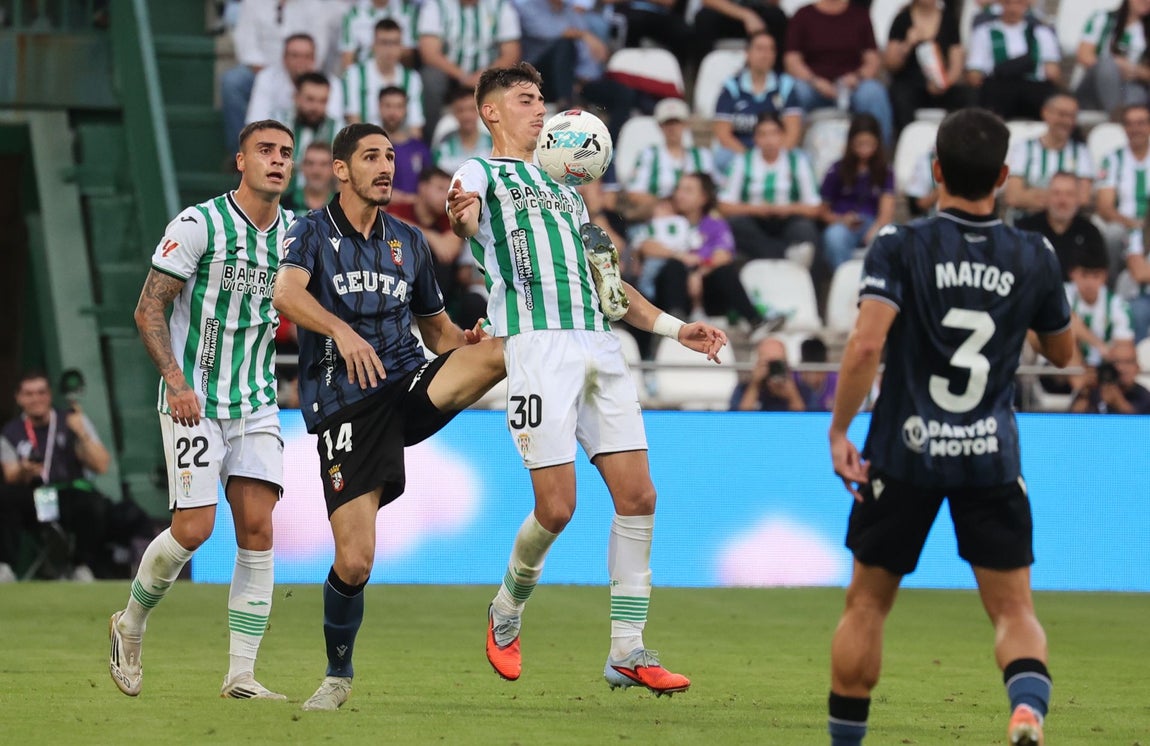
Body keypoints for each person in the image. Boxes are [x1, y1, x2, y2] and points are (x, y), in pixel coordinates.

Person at [447, 62, 727, 695]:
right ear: (491, 112)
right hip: (538, 348)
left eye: (542, 98)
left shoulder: (569, 191)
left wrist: (677, 328)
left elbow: (609, 288)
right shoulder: (481, 173)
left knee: (639, 497)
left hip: (600, 345)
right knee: (558, 507)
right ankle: (507, 607)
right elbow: (460, 212)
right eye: (525, 100)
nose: (539, 109)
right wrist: (463, 218)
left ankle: (627, 650)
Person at [824, 107, 1075, 746]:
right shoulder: (1034, 255)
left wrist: (838, 431)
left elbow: (863, 346)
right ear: (1005, 176)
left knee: (867, 606)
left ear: (936, 170)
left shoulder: (898, 246)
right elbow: (1064, 353)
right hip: (990, 455)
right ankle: (1025, 710)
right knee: (1015, 609)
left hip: (904, 452)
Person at [272, 122, 507, 711]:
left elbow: (437, 331)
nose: (385, 166)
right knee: (355, 561)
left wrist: (467, 341)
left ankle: (547, 416)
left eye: (391, 157)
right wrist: (341, 330)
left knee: (502, 351)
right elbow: (286, 295)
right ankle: (337, 674)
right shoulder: (311, 234)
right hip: (345, 403)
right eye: (371, 157)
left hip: (406, 382)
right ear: (341, 170)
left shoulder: (409, 241)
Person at [108, 120, 297, 701]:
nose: (277, 161)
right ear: (240, 161)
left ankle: (241, 674)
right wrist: (177, 381)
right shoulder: (199, 225)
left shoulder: (297, 234)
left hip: (258, 401)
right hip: (194, 401)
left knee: (260, 531)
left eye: (286, 153)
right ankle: (130, 622)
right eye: (265, 151)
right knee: (194, 529)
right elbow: (148, 309)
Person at [631, 173, 778, 358]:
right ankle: (675, 323)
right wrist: (680, 256)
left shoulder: (715, 224)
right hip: (667, 293)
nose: (680, 194)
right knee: (674, 267)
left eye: (688, 190)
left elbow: (723, 256)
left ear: (703, 198)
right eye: (679, 189)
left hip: (706, 294)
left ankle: (756, 322)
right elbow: (645, 246)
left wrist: (699, 273)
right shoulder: (666, 218)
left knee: (724, 272)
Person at [0, 371, 114, 582]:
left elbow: (102, 465)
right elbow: (10, 474)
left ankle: (81, 566)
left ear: (50, 395)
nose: (36, 399)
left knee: (92, 503)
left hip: (66, 495)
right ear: (19, 397)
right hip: (32, 497)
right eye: (29, 393)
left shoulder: (71, 421)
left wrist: (82, 433)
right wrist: (24, 470)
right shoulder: (11, 432)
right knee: (5, 497)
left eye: (41, 392)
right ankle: (6, 566)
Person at [717, 112, 821, 267]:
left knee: (806, 230)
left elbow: (815, 208)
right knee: (735, 225)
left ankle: (810, 288)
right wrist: (757, 209)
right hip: (753, 218)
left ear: (782, 136)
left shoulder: (798, 162)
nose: (769, 140)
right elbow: (724, 206)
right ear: (755, 139)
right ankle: (785, 255)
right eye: (763, 135)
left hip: (788, 218)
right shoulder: (741, 162)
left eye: (774, 134)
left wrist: (787, 209)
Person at [784, 0, 893, 146]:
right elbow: (792, 60)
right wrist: (815, 81)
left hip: (852, 86)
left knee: (874, 93)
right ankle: (788, 154)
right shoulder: (803, 15)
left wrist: (857, 76)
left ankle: (880, 156)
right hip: (814, 86)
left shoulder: (859, 15)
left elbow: (872, 59)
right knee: (795, 91)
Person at [417, 0, 521, 146]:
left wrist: (483, 75)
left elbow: (511, 54)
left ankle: (512, 143)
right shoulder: (436, 5)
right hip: (450, 76)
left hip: (489, 74)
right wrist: (463, 76)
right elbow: (429, 54)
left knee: (514, 77)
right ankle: (428, 142)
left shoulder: (501, 6)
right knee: (430, 78)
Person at [387, 166, 473, 326]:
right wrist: (431, 236)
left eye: (447, 190)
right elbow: (385, 221)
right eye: (440, 188)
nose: (444, 196)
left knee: (436, 260)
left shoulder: (450, 217)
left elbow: (448, 251)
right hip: (398, 286)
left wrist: (417, 234)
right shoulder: (400, 210)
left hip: (440, 293)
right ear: (423, 187)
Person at [712, 30, 803, 171]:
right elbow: (723, 134)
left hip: (777, 152)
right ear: (747, 53)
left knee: (804, 159)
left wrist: (774, 158)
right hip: (741, 152)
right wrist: (750, 159)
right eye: (760, 49)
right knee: (722, 158)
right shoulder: (731, 87)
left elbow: (792, 132)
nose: (765, 54)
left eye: (770, 49)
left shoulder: (786, 85)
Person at [883, 0, 974, 138]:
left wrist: (945, 82)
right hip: (911, 84)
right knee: (900, 96)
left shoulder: (948, 19)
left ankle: (960, 141)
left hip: (942, 83)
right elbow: (890, 64)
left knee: (968, 96)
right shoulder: (902, 19)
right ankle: (909, 139)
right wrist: (907, 44)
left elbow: (956, 60)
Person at [818, 113, 895, 271]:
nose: (864, 149)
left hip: (872, 221)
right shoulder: (836, 170)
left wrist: (875, 229)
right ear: (851, 143)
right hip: (843, 222)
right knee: (834, 237)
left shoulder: (885, 172)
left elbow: (886, 212)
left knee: (885, 238)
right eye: (860, 144)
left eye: (869, 144)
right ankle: (844, 278)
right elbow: (823, 211)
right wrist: (841, 219)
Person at [965, 0, 1061, 122]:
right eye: (1008, 3)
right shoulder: (984, 32)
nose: (1012, 8)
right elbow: (974, 73)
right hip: (998, 89)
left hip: (1033, 90)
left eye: (1018, 3)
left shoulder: (1042, 33)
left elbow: (1052, 72)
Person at [623, 98, 715, 222]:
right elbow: (634, 193)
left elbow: (711, 191)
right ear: (660, 126)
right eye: (667, 123)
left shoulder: (702, 156)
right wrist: (668, 204)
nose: (672, 128)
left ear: (685, 124)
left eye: (676, 123)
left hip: (696, 220)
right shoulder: (649, 155)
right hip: (658, 217)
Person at [1003, 93, 1094, 217]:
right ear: (1046, 113)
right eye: (1062, 115)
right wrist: (1065, 198)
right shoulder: (1023, 148)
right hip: (1027, 223)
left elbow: (1083, 198)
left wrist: (1032, 194)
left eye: (1072, 116)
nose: (1067, 121)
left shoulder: (1081, 152)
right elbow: (1013, 197)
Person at [1016, 171, 1107, 282]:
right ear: (1047, 196)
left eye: (1069, 194)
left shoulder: (1090, 233)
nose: (1062, 201)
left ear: (1078, 198)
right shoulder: (1025, 229)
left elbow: (1098, 275)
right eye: (1056, 193)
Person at [246, 34, 344, 132]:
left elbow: (332, 123)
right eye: (295, 56)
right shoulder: (267, 78)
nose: (301, 61)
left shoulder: (332, 83)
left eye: (307, 56)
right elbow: (255, 123)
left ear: (314, 59)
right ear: (284, 59)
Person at [342, 18, 424, 134]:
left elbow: (415, 127)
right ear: (373, 45)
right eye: (384, 43)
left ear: (401, 46)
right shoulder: (355, 74)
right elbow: (353, 120)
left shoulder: (412, 78)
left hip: (399, 146)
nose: (389, 49)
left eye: (395, 43)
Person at [1097, 104, 1150, 279]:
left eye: (1141, 123)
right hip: (1125, 227)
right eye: (1130, 124)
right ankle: (1110, 287)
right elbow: (1105, 207)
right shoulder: (1112, 159)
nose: (1135, 129)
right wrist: (1134, 224)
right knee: (1113, 233)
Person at [1064, 244, 1135, 367]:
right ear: (1072, 274)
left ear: (1104, 276)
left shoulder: (1117, 304)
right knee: (1066, 339)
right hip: (1062, 369)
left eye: (1096, 276)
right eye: (1084, 275)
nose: (1090, 283)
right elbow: (1066, 324)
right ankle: (1080, 383)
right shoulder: (1063, 294)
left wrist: (1113, 354)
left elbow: (1125, 346)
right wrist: (1098, 344)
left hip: (1103, 368)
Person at [1075, 0, 1150, 115]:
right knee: (1108, 65)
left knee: (1136, 91)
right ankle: (1118, 117)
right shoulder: (1103, 18)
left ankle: (1127, 120)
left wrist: (1137, 71)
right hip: (1095, 86)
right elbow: (1084, 55)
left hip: (1129, 87)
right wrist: (1115, 67)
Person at [378, 85, 433, 205]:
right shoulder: (368, 148)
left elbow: (430, 188)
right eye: (388, 106)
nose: (393, 112)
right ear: (379, 107)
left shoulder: (420, 148)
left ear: (406, 109)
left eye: (399, 106)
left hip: (415, 218)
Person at [1070, 338, 1150, 413]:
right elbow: (1073, 421)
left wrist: (1118, 403)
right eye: (1117, 362)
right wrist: (1085, 391)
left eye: (1128, 362)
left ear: (1137, 368)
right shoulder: (1093, 390)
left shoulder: (1143, 395)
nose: (1122, 369)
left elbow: (1140, 424)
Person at [730, 336, 807, 411]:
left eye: (777, 364)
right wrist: (755, 386)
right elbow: (739, 419)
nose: (773, 369)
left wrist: (792, 396)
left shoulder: (801, 388)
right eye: (768, 364)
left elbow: (807, 420)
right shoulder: (743, 388)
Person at [338, 0, 419, 70]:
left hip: (397, 72)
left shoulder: (408, 12)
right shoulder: (353, 15)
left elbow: (409, 56)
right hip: (363, 74)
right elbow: (348, 59)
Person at [433, 86, 494, 175]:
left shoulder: (493, 143)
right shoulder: (444, 145)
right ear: (453, 113)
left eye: (472, 109)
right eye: (460, 110)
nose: (467, 116)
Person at [283, 140, 336, 212]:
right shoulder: (283, 204)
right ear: (302, 166)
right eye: (310, 163)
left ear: (334, 168)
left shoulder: (342, 207)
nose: (316, 171)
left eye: (323, 164)